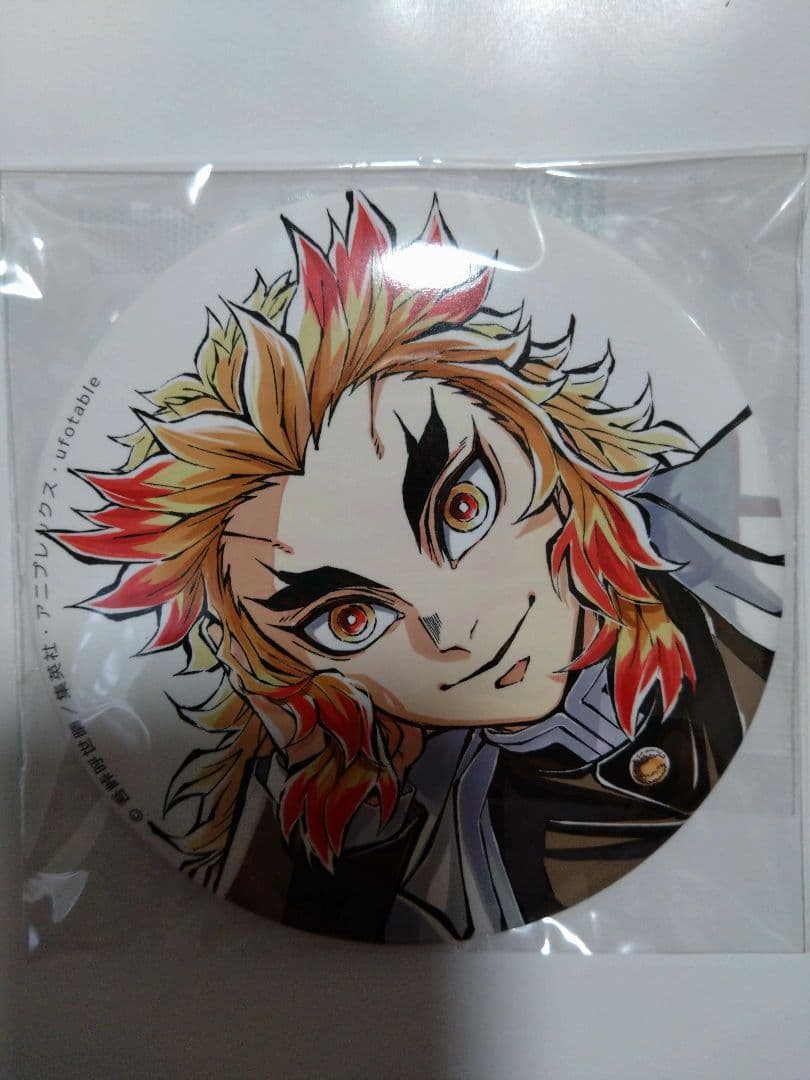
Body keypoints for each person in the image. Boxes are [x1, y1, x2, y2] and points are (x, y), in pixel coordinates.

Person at [52, 193, 782, 942]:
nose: (452, 629)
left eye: (463, 507)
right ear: (284, 673)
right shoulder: (421, 859)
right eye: (350, 620)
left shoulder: (741, 522)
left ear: (540, 436)